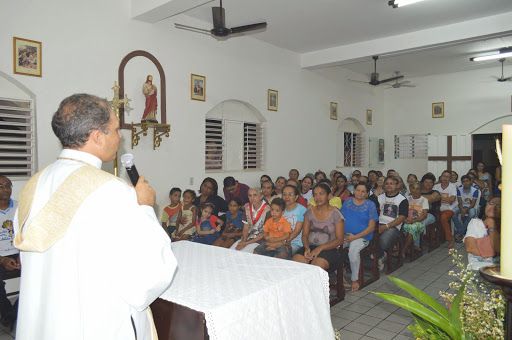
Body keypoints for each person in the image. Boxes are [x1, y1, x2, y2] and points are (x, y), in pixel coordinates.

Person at [14, 94, 177, 340]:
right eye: (114, 130)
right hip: (95, 323)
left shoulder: (34, 185)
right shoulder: (112, 192)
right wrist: (145, 207)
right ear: (97, 137)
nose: (120, 136)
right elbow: (146, 279)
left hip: (45, 321)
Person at [293, 183, 344, 271]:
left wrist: (319, 248)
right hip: (310, 247)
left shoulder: (336, 214)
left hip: (329, 249)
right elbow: (304, 235)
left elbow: (340, 239)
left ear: (328, 195)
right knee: (296, 265)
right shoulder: (309, 212)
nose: (318, 197)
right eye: (315, 195)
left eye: (321, 194)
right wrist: (306, 248)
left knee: (315, 269)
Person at [341, 183, 378, 291]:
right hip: (346, 235)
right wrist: (341, 234)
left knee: (353, 251)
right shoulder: (347, 202)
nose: (360, 193)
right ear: (354, 191)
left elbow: (371, 227)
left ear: (367, 194)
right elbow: (341, 219)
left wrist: (355, 237)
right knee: (333, 247)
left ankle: (354, 280)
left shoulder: (370, 205)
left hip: (363, 237)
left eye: (363, 191)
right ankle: (340, 276)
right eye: (358, 190)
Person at [0, 176, 19, 327]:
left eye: (8, 185)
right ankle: (9, 314)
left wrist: (25, 254)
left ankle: (12, 315)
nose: (6, 189)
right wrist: (2, 260)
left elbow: (30, 232)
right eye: (1, 186)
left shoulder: (20, 207)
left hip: (19, 252)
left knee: (41, 273)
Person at [378, 176, 408, 263]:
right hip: (379, 224)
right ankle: (379, 255)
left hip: (393, 227)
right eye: (386, 183)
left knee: (383, 241)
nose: (389, 185)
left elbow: (402, 217)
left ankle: (381, 255)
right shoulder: (380, 197)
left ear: (396, 185)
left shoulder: (402, 199)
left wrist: (386, 226)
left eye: (391, 184)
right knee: (367, 238)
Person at [464, 197, 501, 270]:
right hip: (478, 269)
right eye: (492, 203)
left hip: (501, 270)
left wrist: (491, 225)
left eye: (499, 205)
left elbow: (498, 248)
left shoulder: (507, 227)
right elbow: (470, 248)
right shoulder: (475, 223)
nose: (494, 207)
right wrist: (493, 254)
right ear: (486, 205)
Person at [231, 188, 270, 252]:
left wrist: (245, 243)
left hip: (260, 240)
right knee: (232, 250)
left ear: (261, 196)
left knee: (243, 254)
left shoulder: (268, 210)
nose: (252, 198)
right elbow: (246, 227)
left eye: (255, 195)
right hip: (247, 238)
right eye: (250, 195)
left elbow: (264, 233)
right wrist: (243, 241)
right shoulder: (247, 207)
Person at [402, 182, 428, 257]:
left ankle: (404, 250)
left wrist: (413, 221)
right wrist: (405, 219)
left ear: (421, 190)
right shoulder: (407, 198)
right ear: (410, 189)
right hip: (406, 220)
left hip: (418, 222)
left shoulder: (424, 200)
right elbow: (402, 211)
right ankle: (403, 247)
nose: (415, 190)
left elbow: (424, 215)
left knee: (412, 228)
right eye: (413, 188)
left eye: (417, 189)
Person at [433, 170, 458, 248]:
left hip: (449, 209)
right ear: (441, 177)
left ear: (450, 178)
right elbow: (432, 198)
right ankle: (433, 238)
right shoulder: (436, 186)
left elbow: (451, 200)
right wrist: (445, 199)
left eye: (447, 177)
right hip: (437, 208)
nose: (445, 178)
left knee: (443, 218)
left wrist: (438, 198)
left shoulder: (452, 186)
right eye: (444, 176)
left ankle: (450, 240)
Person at [282, 185, 308, 255]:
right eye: (284, 194)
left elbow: (297, 231)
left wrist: (284, 241)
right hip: (281, 240)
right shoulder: (280, 209)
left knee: (281, 252)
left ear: (296, 197)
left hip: (296, 243)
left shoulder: (302, 210)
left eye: (290, 194)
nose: (287, 197)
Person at [453, 175, 479, 243]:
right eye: (463, 181)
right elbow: (460, 202)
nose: (465, 183)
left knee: (472, 213)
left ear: (470, 181)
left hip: (471, 207)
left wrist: (466, 210)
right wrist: (462, 209)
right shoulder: (459, 189)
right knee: (453, 213)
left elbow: (473, 204)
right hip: (461, 206)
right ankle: (461, 231)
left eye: (467, 181)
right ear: (462, 182)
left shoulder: (475, 190)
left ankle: (460, 233)